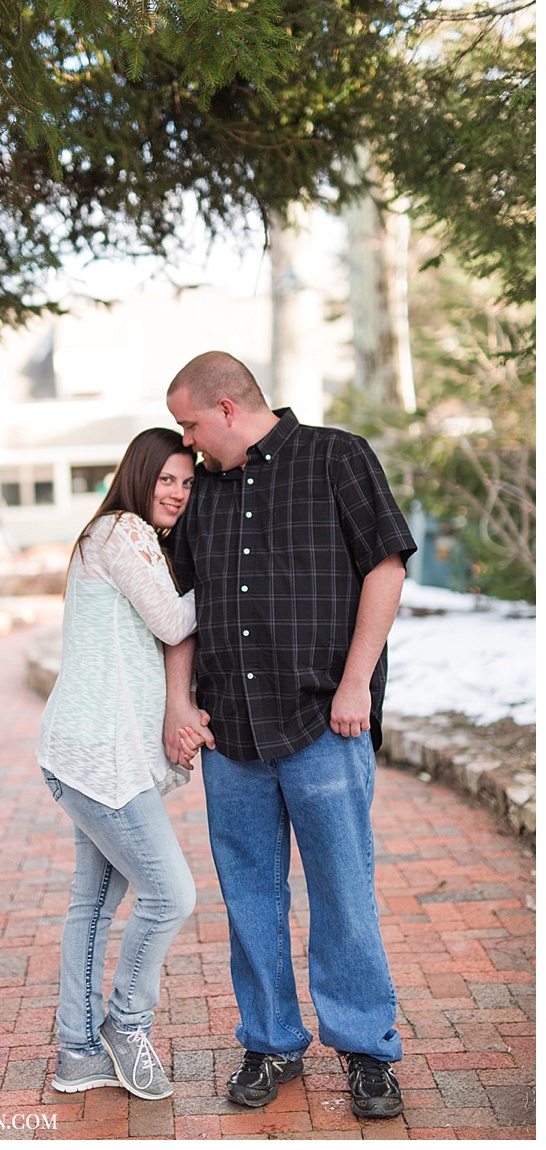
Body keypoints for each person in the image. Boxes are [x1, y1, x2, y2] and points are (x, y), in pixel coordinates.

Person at [162, 351, 417, 1119]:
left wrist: (354, 685)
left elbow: (386, 568)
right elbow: (181, 607)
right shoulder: (202, 491)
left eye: (192, 423)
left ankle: (368, 1051)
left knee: (343, 894)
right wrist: (179, 701)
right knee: (249, 900)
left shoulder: (336, 456)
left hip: (322, 722)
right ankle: (270, 1042)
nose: (189, 441)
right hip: (230, 735)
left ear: (229, 408)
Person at [36, 427, 209, 1102]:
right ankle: (125, 1026)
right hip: (98, 758)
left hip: (85, 753)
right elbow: (172, 622)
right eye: (167, 479)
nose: (179, 493)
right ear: (139, 477)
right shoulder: (122, 532)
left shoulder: (108, 538)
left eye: (188, 483)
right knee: (172, 894)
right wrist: (231, 570)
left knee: (94, 905)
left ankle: (77, 1051)